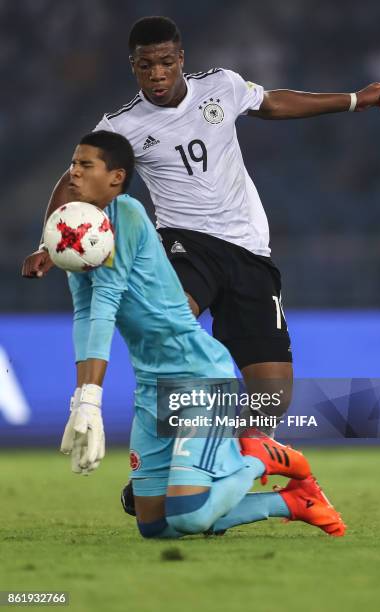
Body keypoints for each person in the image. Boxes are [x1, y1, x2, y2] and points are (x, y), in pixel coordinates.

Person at [21, 16, 380, 423]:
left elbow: (272, 102)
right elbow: (75, 176)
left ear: (181, 58)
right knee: (171, 323)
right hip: (184, 244)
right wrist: (48, 243)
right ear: (133, 66)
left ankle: (231, 461)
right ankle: (154, 456)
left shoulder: (222, 85)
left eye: (166, 61)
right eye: (145, 65)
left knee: (273, 397)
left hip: (248, 250)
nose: (157, 74)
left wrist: (354, 99)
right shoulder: (121, 126)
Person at [60, 129, 345, 538]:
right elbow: (85, 314)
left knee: (190, 515)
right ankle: (292, 501)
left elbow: (105, 302)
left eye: (85, 165)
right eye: (72, 164)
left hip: (199, 377)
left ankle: (263, 456)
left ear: (116, 177)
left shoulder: (129, 217)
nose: (73, 173)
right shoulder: (76, 232)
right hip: (151, 384)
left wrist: (90, 399)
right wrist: (80, 402)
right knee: (155, 525)